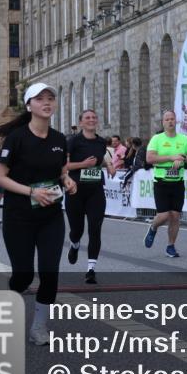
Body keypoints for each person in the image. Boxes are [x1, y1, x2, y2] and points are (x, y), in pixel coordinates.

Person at [0, 83, 77, 345]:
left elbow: (61, 170)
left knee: (50, 272)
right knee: (23, 275)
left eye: (50, 98)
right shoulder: (16, 138)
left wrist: (67, 181)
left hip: (50, 215)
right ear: (29, 105)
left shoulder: (59, 138)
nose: (47, 102)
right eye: (40, 99)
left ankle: (39, 327)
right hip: (19, 216)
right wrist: (30, 192)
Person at [64, 109, 116, 284]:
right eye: (87, 118)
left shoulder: (101, 142)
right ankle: (75, 244)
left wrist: (108, 165)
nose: (91, 120)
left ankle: (91, 269)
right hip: (75, 190)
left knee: (95, 228)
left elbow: (99, 159)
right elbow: (64, 166)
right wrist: (83, 164)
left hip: (95, 190)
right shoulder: (73, 141)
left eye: (94, 117)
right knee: (76, 230)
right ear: (81, 122)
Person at [143, 111, 187, 258]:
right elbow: (149, 158)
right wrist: (171, 157)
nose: (170, 121)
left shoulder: (184, 139)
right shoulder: (157, 139)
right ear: (163, 122)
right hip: (161, 181)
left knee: (175, 216)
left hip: (178, 182)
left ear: (176, 121)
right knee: (164, 215)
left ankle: (170, 246)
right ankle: (153, 227)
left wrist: (183, 158)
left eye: (172, 119)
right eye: (167, 119)